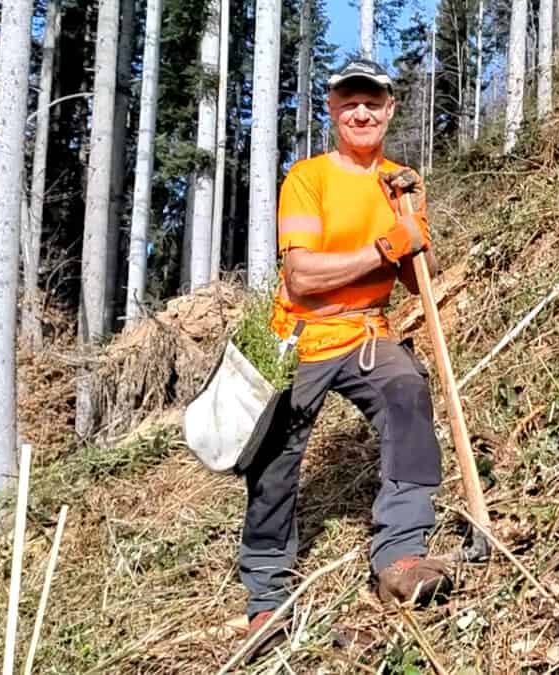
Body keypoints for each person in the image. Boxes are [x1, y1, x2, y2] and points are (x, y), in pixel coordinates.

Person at [239, 58, 451, 661]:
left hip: (366, 333)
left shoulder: (401, 183)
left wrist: (413, 231)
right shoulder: (308, 178)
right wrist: (384, 247)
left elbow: (420, 282)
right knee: (275, 453)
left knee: (407, 390)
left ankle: (400, 554)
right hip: (300, 336)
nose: (360, 112)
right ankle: (265, 595)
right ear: (332, 110)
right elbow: (302, 277)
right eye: (348, 102)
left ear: (388, 110)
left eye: (372, 103)